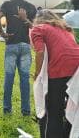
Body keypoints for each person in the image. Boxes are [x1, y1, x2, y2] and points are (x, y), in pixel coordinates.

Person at [31, 10, 79, 138]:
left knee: (53, 111)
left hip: (58, 70)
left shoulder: (38, 28)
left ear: (38, 19)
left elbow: (40, 52)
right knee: (72, 109)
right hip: (76, 71)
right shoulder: (66, 29)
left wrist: (36, 74)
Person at [0, 0, 37, 116]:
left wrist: (2, 34)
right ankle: (26, 110)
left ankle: (7, 109)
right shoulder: (31, 7)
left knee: (9, 77)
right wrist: (25, 19)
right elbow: (34, 28)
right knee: (24, 78)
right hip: (25, 45)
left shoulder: (7, 5)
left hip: (11, 44)